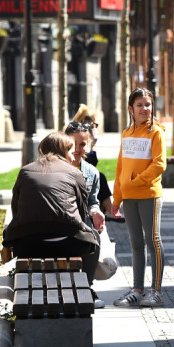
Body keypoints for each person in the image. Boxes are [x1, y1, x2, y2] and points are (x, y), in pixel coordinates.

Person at [2, 132, 100, 290]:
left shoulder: (25, 171)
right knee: (94, 236)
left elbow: (16, 211)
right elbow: (81, 216)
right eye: (70, 151)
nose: (72, 157)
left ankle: (26, 288)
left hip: (28, 245)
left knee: (8, 232)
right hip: (69, 244)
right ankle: (86, 288)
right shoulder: (75, 173)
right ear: (62, 152)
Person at [111, 88, 167, 308]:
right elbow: (121, 168)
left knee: (153, 241)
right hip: (129, 198)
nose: (145, 109)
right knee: (135, 244)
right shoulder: (127, 133)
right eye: (140, 105)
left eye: (148, 104)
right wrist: (117, 198)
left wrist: (137, 182)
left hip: (149, 195)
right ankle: (137, 289)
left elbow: (159, 164)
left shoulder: (156, 132)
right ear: (130, 109)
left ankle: (156, 291)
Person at [65, 121, 106, 309]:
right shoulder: (55, 168)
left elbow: (93, 202)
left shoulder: (91, 173)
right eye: (73, 144)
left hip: (81, 224)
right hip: (59, 223)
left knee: (93, 237)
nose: (78, 149)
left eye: (82, 144)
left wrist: (95, 212)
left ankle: (86, 287)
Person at [72, 104, 113, 215]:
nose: (95, 128)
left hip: (82, 172)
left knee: (98, 176)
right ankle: (109, 210)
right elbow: (89, 162)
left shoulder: (83, 137)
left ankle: (106, 209)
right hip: (74, 172)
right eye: (93, 125)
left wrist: (93, 143)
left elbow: (90, 164)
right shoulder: (78, 135)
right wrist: (93, 143)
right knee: (100, 177)